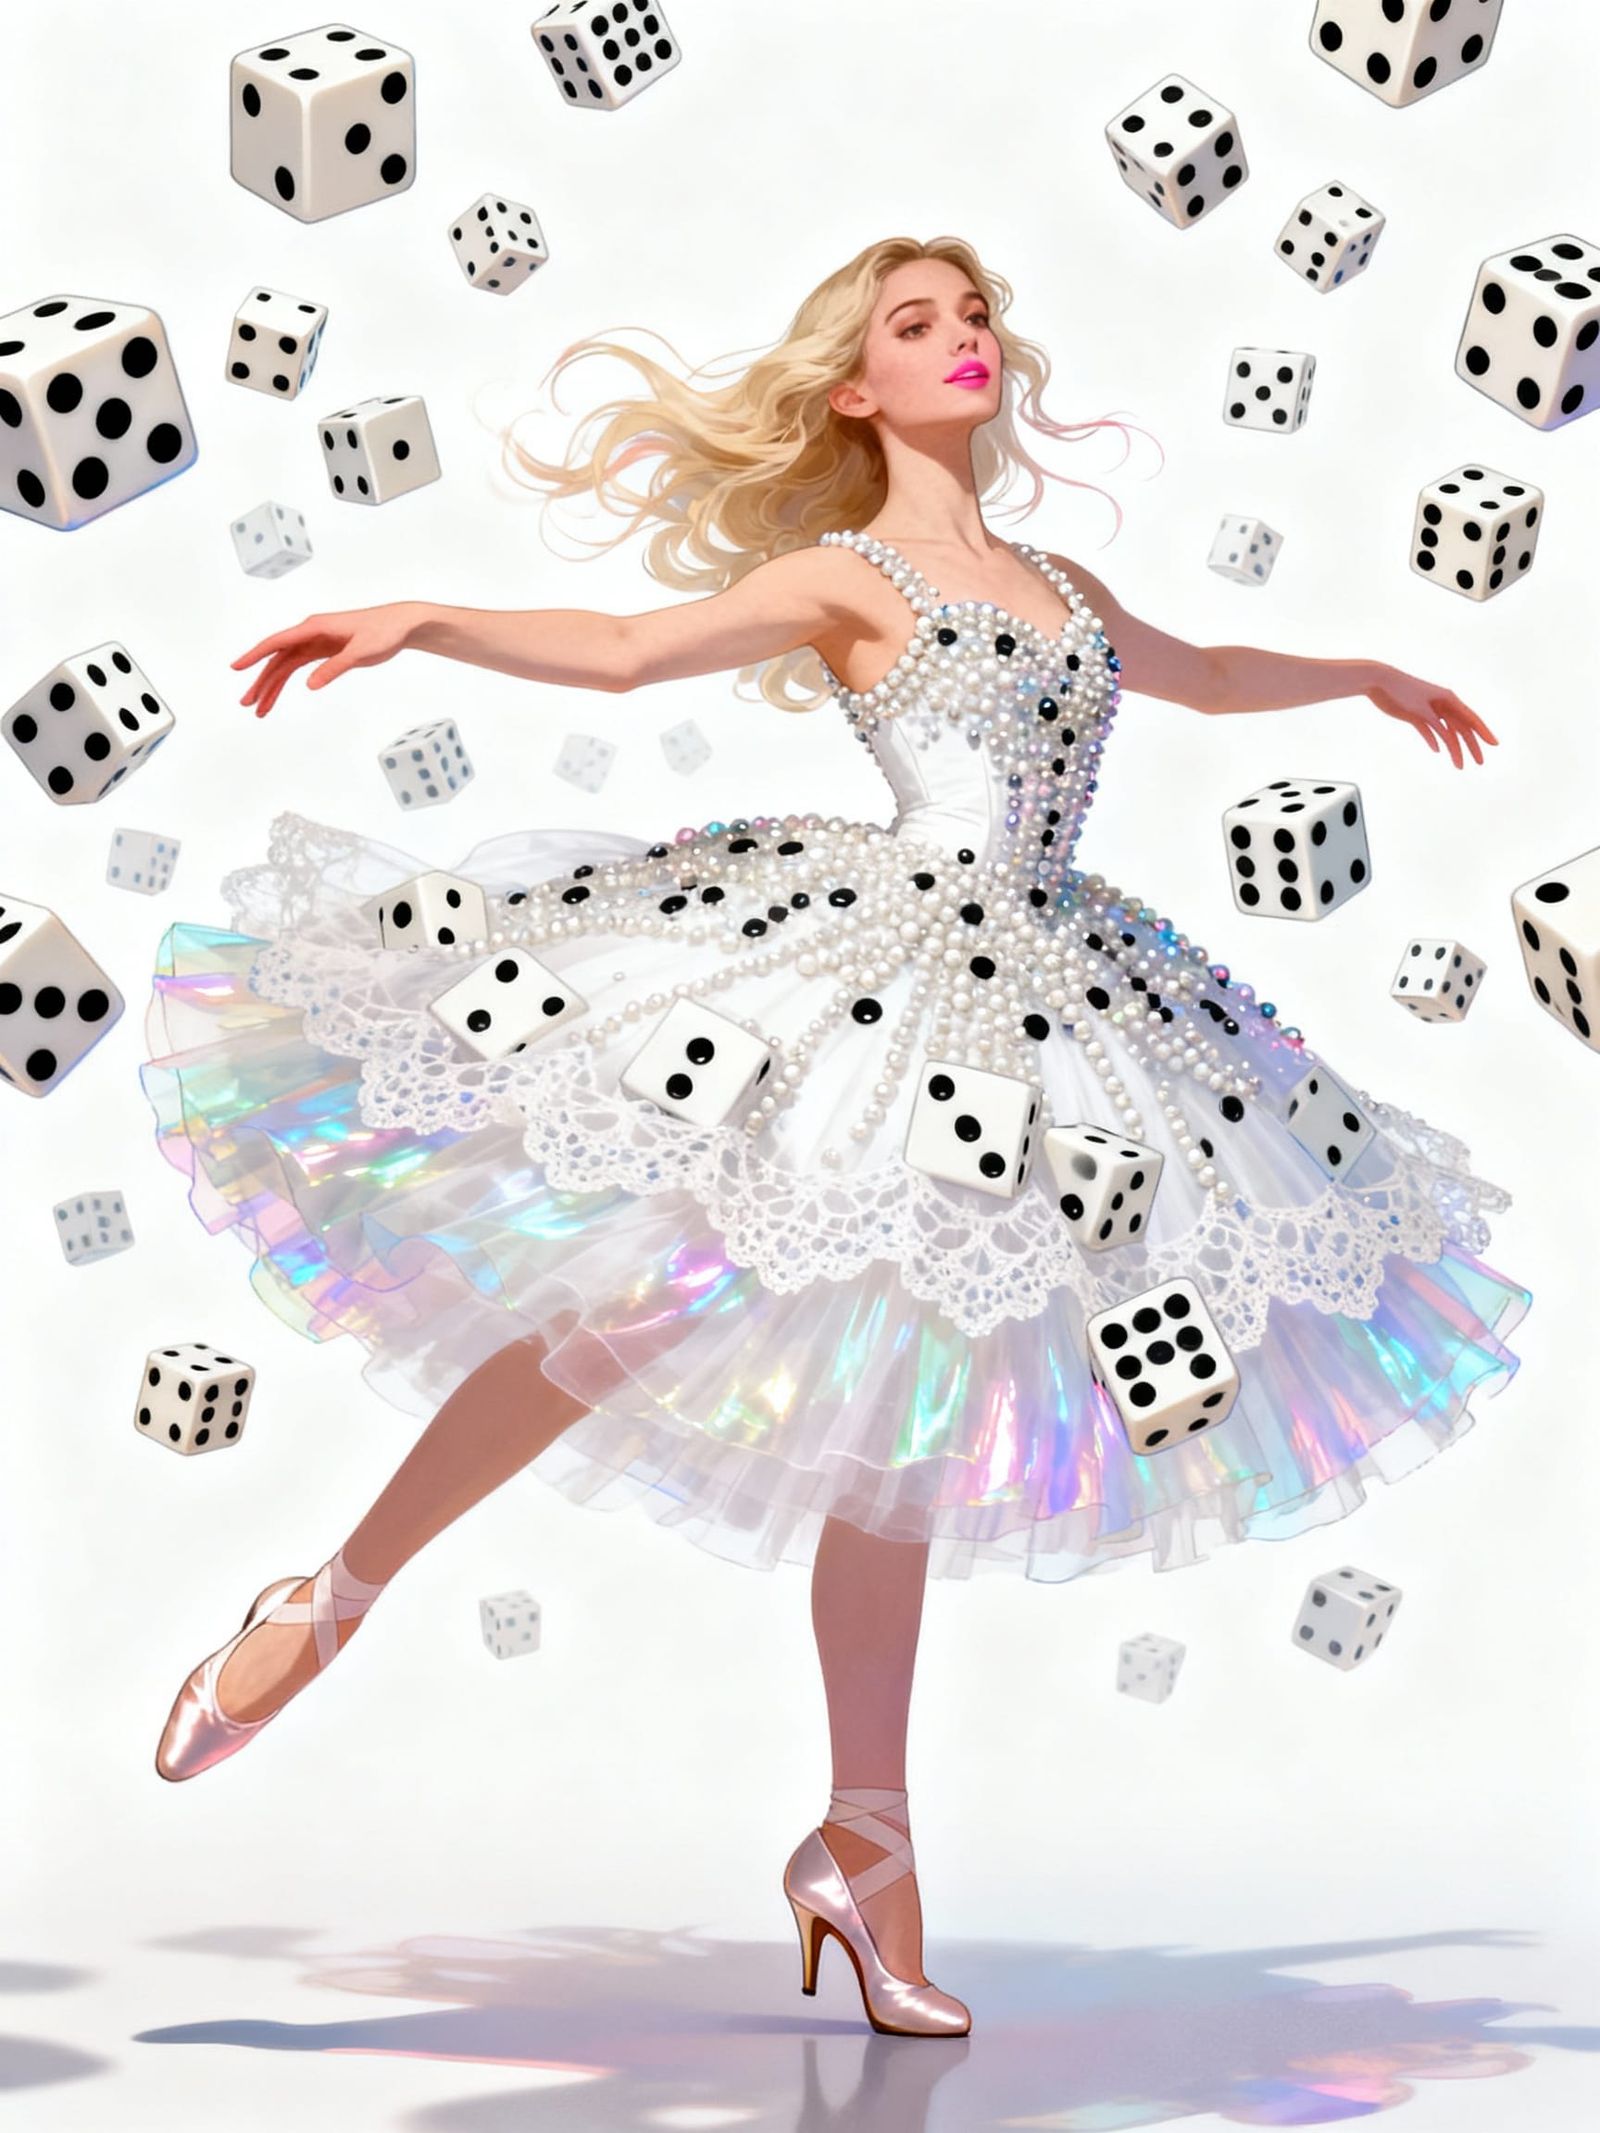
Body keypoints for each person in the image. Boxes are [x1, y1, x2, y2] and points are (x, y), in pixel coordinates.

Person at [140, 235, 1530, 2040]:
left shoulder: (1058, 580)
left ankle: (860, 1844)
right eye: (916, 324)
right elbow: (636, 649)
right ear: (854, 388)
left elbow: (1193, 669)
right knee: (632, 1308)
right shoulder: (846, 572)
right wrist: (426, 616)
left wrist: (1362, 672)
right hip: (861, 982)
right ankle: (336, 1591)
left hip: (1053, 1017)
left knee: (908, 1419)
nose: (966, 342)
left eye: (976, 318)